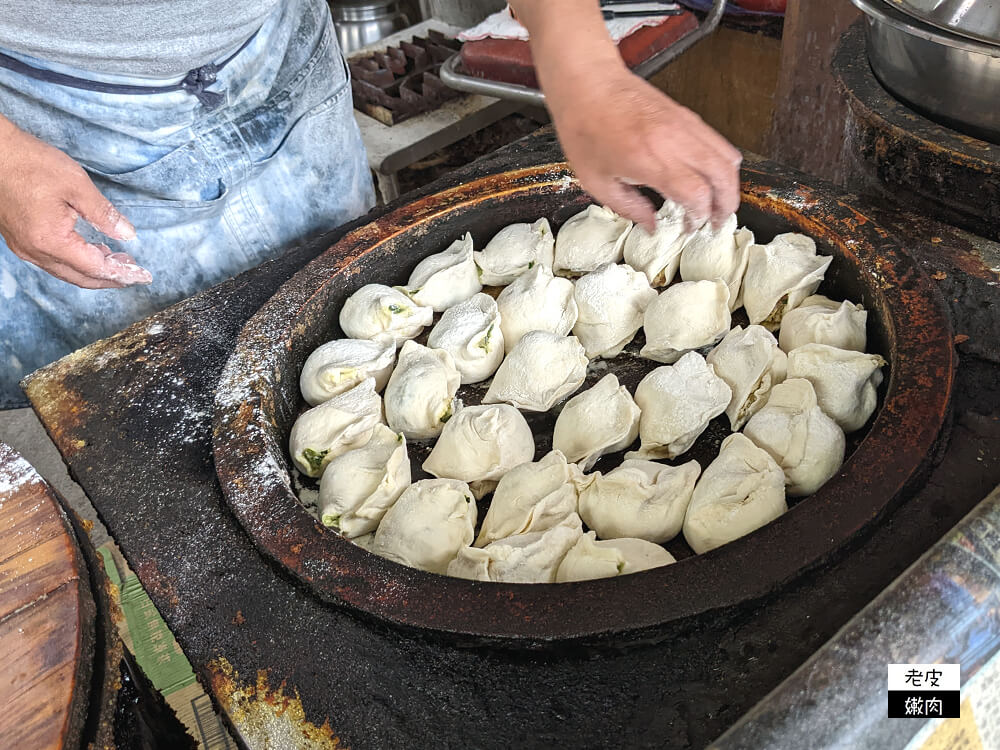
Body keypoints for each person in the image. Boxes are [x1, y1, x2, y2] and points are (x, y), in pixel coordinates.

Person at [0, 0, 740, 408]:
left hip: (275, 46)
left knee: (346, 322)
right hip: (37, 120)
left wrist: (580, 65)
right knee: (132, 435)